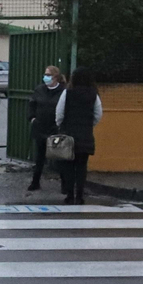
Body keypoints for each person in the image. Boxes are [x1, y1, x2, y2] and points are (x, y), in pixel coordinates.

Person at [54, 67, 102, 205]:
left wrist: (61, 126)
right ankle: (79, 196)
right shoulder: (94, 95)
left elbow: (59, 113)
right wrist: (88, 124)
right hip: (85, 135)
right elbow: (98, 114)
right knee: (82, 167)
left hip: (68, 134)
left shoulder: (67, 93)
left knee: (68, 166)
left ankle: (69, 195)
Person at [27, 65, 66, 192]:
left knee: (59, 157)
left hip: (55, 128)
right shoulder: (39, 90)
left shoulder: (63, 91)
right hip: (40, 127)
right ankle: (35, 182)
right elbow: (32, 104)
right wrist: (32, 118)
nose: (46, 77)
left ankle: (65, 185)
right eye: (45, 74)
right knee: (39, 157)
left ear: (55, 77)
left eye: (48, 75)